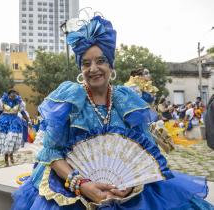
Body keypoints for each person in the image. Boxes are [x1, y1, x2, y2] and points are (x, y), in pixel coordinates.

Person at [12, 15, 212, 210]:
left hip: (126, 192)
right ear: (80, 68)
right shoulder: (69, 100)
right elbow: (51, 152)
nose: (94, 69)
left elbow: (145, 152)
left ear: (111, 65)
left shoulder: (127, 100)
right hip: (71, 185)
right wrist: (82, 185)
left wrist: (132, 183)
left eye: (100, 61)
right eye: (86, 63)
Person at [0, 89, 29, 166]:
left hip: (15, 122)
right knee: (5, 141)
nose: (13, 95)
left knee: (11, 140)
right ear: (9, 94)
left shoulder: (19, 102)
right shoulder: (3, 101)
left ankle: (11, 155)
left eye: (15, 94)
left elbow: (23, 112)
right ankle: (6, 160)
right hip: (4, 122)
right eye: (12, 94)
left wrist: (29, 121)